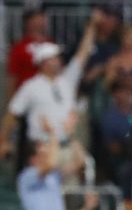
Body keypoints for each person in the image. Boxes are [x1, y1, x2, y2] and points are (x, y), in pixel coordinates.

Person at [0, 11, 97, 160]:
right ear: (42, 63)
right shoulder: (30, 86)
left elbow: (82, 54)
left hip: (66, 147)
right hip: (41, 149)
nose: (58, 60)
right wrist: (3, 141)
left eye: (57, 57)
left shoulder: (67, 79)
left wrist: (91, 27)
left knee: (70, 182)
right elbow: (12, 114)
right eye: (53, 58)